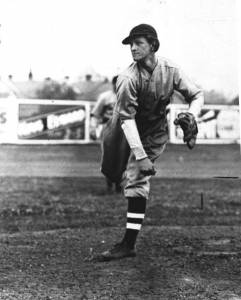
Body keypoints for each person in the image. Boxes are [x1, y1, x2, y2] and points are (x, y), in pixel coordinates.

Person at [98, 24, 204, 261]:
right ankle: (120, 174)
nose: (133, 48)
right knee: (112, 170)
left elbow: (196, 94)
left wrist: (191, 114)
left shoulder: (171, 69)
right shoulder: (127, 78)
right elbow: (126, 119)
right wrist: (142, 155)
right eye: (131, 44)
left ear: (153, 45)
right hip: (123, 127)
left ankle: (128, 244)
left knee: (136, 177)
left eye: (139, 43)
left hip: (153, 130)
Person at [90, 76, 122, 193]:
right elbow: (95, 114)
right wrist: (93, 129)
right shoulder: (105, 97)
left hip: (123, 130)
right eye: (116, 83)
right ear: (112, 84)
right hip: (107, 128)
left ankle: (118, 184)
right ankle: (109, 183)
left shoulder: (129, 96)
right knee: (108, 157)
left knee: (121, 157)